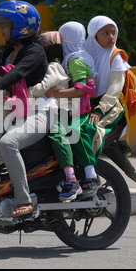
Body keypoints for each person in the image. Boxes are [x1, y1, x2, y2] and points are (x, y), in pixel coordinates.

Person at [0, 0, 49, 217]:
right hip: (16, 110)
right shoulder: (8, 51)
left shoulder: (34, 51)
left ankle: (24, 201)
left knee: (8, 143)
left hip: (39, 111)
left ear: (21, 27)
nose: (1, 29)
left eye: (5, 25)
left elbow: (18, 73)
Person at [44, 21, 98, 201]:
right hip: (73, 106)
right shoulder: (82, 55)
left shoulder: (75, 59)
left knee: (69, 133)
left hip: (79, 108)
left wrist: (55, 93)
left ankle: (90, 176)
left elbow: (80, 89)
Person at [83, 16, 129, 195]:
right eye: (105, 33)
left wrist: (99, 109)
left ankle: (89, 175)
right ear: (94, 35)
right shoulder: (84, 53)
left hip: (109, 105)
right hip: (88, 102)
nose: (111, 37)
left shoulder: (115, 56)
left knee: (88, 129)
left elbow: (115, 89)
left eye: (113, 32)